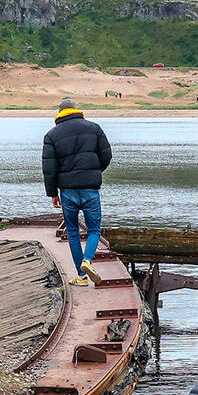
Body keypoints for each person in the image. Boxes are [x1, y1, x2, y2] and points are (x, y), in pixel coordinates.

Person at [42, 97, 112, 286]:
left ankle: (81, 277)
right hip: (90, 189)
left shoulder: (51, 135)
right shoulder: (94, 128)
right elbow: (107, 155)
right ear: (76, 110)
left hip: (67, 191)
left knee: (72, 232)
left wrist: (52, 193)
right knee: (94, 229)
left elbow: (49, 168)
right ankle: (87, 261)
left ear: (59, 112)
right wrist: (93, 172)